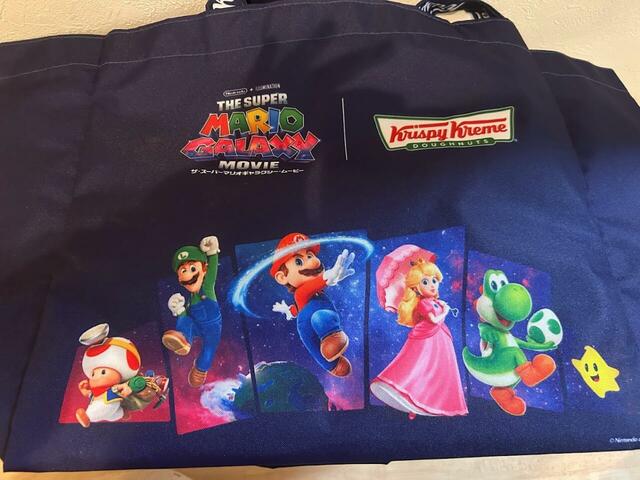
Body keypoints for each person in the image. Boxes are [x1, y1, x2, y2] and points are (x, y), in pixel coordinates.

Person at [371, 253, 468, 417]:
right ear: (416, 287)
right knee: (421, 368)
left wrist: (441, 306)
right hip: (427, 338)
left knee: (438, 370)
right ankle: (414, 402)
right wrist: (444, 311)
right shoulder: (423, 304)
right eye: (425, 282)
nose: (432, 285)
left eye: (434, 281)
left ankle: (429, 403)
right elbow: (434, 320)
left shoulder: (434, 302)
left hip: (440, 338)